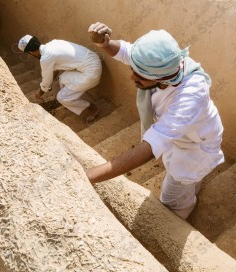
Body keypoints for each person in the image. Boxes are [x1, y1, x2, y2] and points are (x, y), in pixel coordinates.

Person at [85, 22, 225, 219]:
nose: (132, 77)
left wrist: (87, 176)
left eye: (140, 75)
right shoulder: (160, 62)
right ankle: (192, 185)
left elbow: (149, 148)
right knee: (185, 177)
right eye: (134, 68)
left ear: (162, 78)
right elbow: (125, 51)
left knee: (171, 199)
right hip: (183, 136)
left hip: (195, 147)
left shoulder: (190, 95)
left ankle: (181, 214)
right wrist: (105, 44)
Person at [18, 34, 102, 123]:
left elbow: (46, 82)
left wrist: (40, 93)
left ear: (30, 52)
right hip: (94, 61)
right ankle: (68, 101)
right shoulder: (54, 43)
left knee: (61, 97)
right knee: (62, 78)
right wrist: (46, 86)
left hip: (91, 74)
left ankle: (94, 108)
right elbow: (55, 70)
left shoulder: (45, 58)